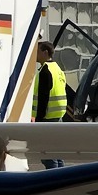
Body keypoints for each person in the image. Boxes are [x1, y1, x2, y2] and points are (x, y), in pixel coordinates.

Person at [33, 40, 68, 168]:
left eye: (37, 51)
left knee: (47, 154)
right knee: (56, 150)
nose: (35, 54)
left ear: (45, 52)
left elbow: (44, 97)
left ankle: (53, 180)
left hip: (47, 116)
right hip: (58, 115)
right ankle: (62, 178)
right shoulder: (57, 68)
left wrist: (38, 118)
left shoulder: (45, 70)